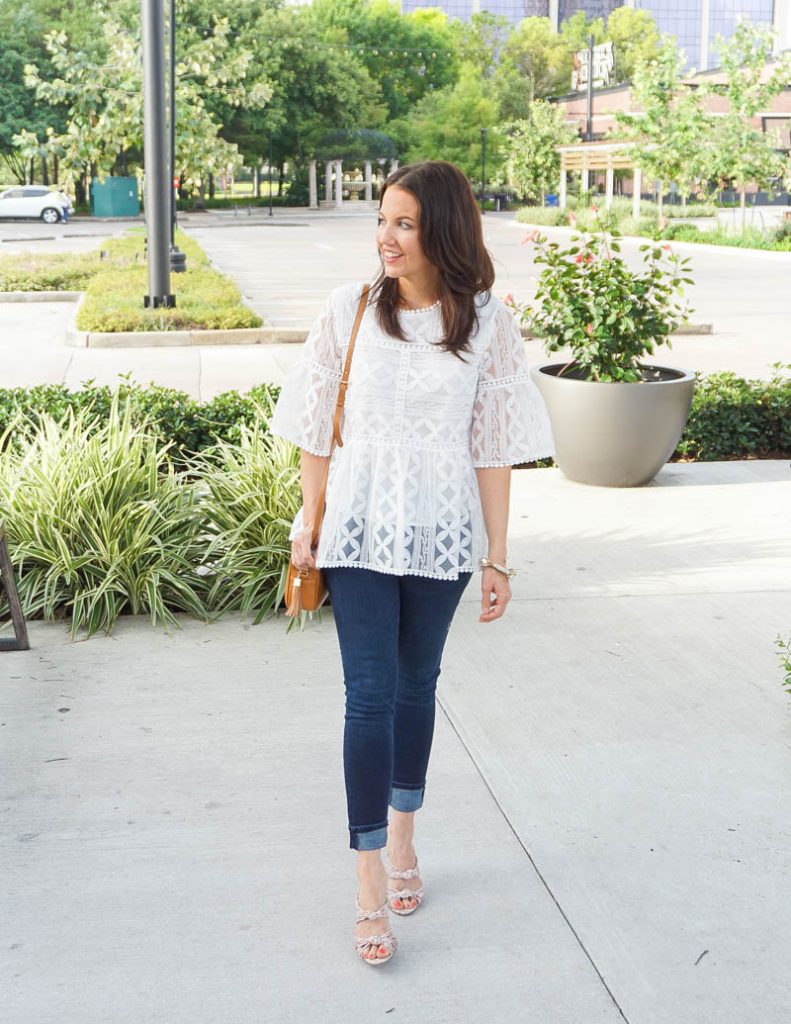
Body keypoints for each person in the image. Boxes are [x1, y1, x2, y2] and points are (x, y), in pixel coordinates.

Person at [270, 160, 554, 966]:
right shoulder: (350, 310)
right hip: (357, 531)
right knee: (368, 698)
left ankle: (402, 838)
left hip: (439, 535)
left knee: (414, 688)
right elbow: (315, 429)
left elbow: (492, 450)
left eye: (403, 223)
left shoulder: (488, 322)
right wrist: (310, 521)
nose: (385, 238)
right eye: (381, 221)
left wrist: (498, 560)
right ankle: (367, 882)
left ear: (442, 231)